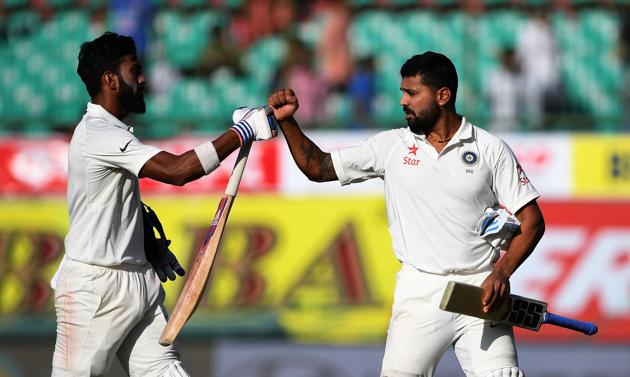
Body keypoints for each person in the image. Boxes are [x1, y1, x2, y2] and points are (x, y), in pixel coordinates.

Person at [268, 51, 545, 377]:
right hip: (421, 291)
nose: (402, 100)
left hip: (479, 292)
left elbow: (532, 221)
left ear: (443, 96)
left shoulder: (489, 148)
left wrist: (501, 273)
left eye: (412, 93)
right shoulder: (392, 146)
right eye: (402, 91)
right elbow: (317, 167)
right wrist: (287, 121)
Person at [50, 32, 276, 377]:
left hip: (138, 281)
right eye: (134, 70)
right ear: (111, 80)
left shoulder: (114, 132)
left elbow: (110, 199)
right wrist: (242, 132)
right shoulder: (97, 133)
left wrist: (142, 242)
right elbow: (178, 171)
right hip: (92, 290)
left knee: (166, 371)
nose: (143, 79)